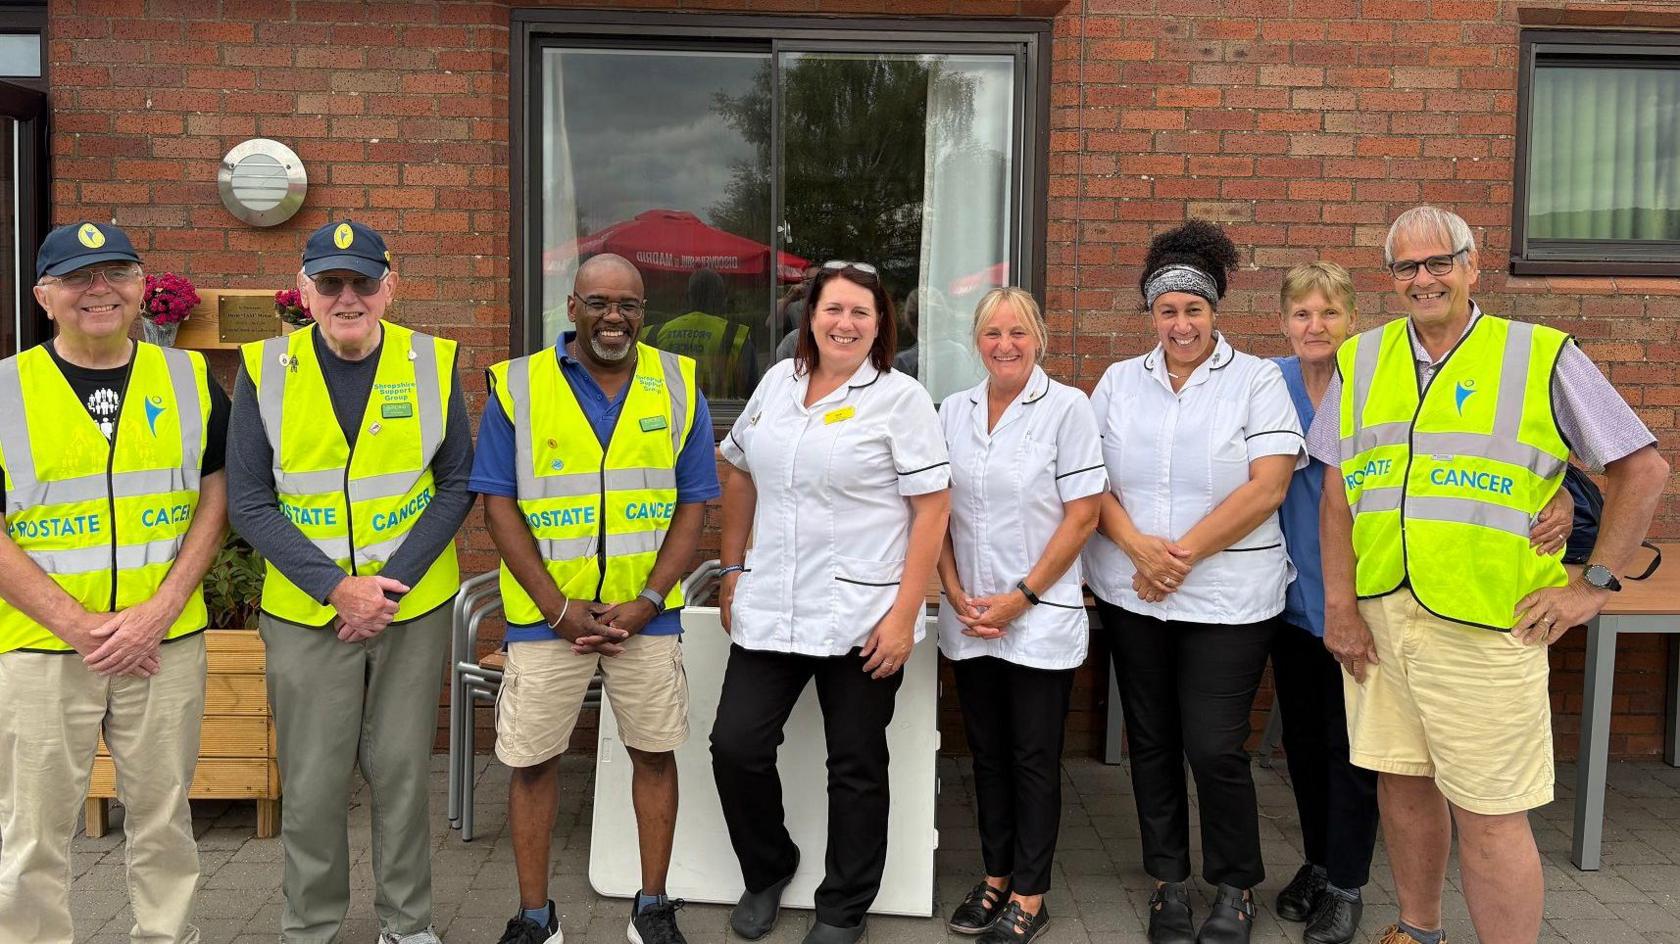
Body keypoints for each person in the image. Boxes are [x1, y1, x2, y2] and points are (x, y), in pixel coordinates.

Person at [1308, 206, 1670, 944]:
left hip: (1487, 624)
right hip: (1382, 621)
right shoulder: (1362, 360)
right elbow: (1340, 495)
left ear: (1473, 266)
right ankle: (1418, 928)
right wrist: (1339, 606)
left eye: (1440, 261)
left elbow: (1643, 467)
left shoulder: (1540, 354)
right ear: (1392, 279)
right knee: (1402, 786)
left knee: (1491, 811)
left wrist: (1591, 588)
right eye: (1407, 266)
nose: (1424, 278)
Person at [227, 219, 475, 944]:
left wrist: (386, 586)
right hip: (308, 612)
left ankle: (409, 924)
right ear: (304, 292)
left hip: (411, 606)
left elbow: (455, 484)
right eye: (329, 282)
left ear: (389, 289)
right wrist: (337, 588)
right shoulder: (263, 369)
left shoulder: (433, 362)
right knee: (310, 782)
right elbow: (248, 500)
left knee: (401, 772)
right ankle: (311, 926)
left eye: (362, 281)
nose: (347, 296)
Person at [474, 252, 718, 944]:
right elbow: (497, 506)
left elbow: (694, 506)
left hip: (647, 616)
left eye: (630, 305)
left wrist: (648, 599)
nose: (615, 317)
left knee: (654, 753)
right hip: (548, 621)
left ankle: (653, 907)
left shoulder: (677, 384)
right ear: (573, 307)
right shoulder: (519, 386)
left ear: (645, 312)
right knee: (532, 762)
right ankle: (534, 918)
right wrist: (556, 608)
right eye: (600, 303)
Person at [0, 221, 230, 944]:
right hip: (43, 648)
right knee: (33, 832)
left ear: (139, 286)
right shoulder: (5, 390)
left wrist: (159, 611)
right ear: (44, 296)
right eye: (76, 277)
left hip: (165, 642)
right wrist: (77, 624)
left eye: (115, 272)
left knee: (164, 822)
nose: (98, 290)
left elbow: (216, 492)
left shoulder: (189, 378)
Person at [712, 260, 950, 944]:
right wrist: (732, 567)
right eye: (833, 310)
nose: (844, 323)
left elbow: (932, 510)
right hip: (772, 602)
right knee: (735, 746)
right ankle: (768, 868)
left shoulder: (900, 399)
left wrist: (907, 615)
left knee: (855, 764)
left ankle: (843, 907)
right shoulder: (776, 385)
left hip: (863, 616)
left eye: (860, 313)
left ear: (880, 326)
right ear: (808, 316)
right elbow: (740, 472)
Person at [1083, 221, 1302, 944]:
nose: (1182, 324)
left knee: (1212, 745)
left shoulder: (1257, 380)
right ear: (1151, 315)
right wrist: (1141, 552)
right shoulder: (1118, 383)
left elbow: (1267, 486)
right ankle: (1168, 882)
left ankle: (1235, 884)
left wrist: (1177, 557)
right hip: (1133, 594)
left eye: (1194, 310)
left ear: (1216, 313)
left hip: (1229, 597)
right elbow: (1090, 485)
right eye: (1168, 310)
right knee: (1151, 740)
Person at [934, 287, 1104, 944]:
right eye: (992, 334)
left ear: (1039, 338)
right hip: (971, 614)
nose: (1004, 345)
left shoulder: (1067, 409)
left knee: (1034, 756)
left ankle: (1031, 895)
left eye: (1017, 333)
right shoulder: (953, 410)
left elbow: (1083, 515)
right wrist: (952, 589)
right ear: (976, 341)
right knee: (987, 754)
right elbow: (934, 509)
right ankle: (995, 877)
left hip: (1037, 615)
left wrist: (1022, 597)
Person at [644, 266, 758, 399]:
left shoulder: (652, 334)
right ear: (722, 299)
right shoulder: (736, 337)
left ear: (688, 297)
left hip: (661, 414)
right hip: (718, 415)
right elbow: (752, 391)